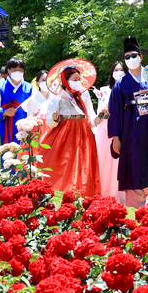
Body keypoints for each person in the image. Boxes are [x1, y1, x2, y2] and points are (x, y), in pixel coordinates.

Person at [108, 36, 148, 208]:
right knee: (132, 169)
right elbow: (114, 111)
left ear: (141, 56)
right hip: (130, 132)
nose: (131, 59)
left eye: (134, 55)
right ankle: (134, 208)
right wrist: (115, 137)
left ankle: (145, 202)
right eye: (127, 57)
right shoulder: (121, 84)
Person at [36, 61, 103, 196]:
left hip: (84, 135)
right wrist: (54, 117)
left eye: (79, 79)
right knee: (65, 166)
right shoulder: (57, 97)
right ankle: (64, 194)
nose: (78, 82)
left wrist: (102, 115)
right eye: (75, 80)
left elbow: (90, 120)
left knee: (84, 166)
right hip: (65, 136)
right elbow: (50, 123)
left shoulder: (84, 95)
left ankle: (83, 195)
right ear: (66, 81)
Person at [94, 62, 127, 203]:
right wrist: (104, 112)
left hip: (124, 130)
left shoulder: (129, 88)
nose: (118, 72)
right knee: (105, 163)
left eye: (121, 70)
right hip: (105, 131)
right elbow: (99, 118)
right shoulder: (104, 91)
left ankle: (120, 196)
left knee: (121, 164)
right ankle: (103, 194)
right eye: (116, 70)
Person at [0, 58, 33, 145]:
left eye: (20, 70)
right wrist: (5, 112)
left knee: (25, 154)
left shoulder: (29, 88)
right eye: (15, 70)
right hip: (7, 127)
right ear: (8, 71)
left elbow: (36, 108)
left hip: (25, 128)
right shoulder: (0, 87)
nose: (18, 72)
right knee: (8, 154)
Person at [27, 69, 59, 143]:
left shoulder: (55, 98)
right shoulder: (32, 99)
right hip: (38, 130)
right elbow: (29, 119)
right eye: (43, 80)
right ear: (37, 83)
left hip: (53, 127)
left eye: (48, 80)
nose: (45, 82)